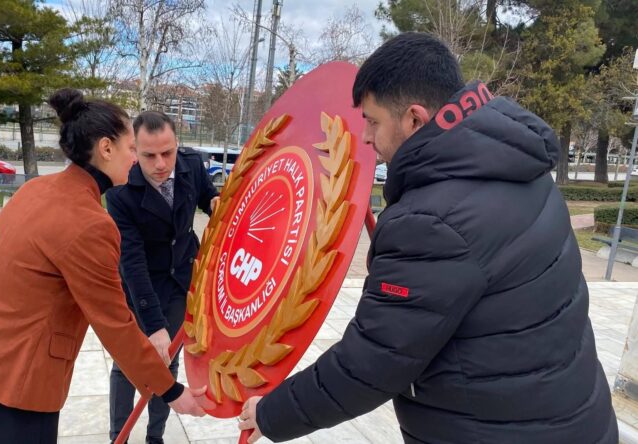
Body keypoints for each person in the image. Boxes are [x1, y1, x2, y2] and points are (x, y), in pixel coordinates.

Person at [239, 32, 617, 443]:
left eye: (372, 121)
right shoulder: (520, 167)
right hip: (573, 417)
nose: (365, 137)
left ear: (415, 119)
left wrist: (272, 414)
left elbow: (371, 362)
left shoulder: (433, 220)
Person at [0, 89, 211, 444]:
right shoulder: (91, 224)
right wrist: (172, 391)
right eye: (132, 149)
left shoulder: (35, 189)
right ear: (105, 149)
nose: (137, 160)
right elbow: (114, 323)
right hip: (16, 391)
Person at [105, 111, 219, 444]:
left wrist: (214, 204)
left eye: (167, 152)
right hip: (142, 284)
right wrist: (152, 325)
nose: (160, 163)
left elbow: (205, 195)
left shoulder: (191, 164)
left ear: (177, 144)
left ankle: (155, 436)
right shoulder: (121, 189)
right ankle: (119, 437)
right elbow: (132, 260)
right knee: (129, 364)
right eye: (149, 155)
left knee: (168, 362)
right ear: (134, 150)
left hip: (182, 278)